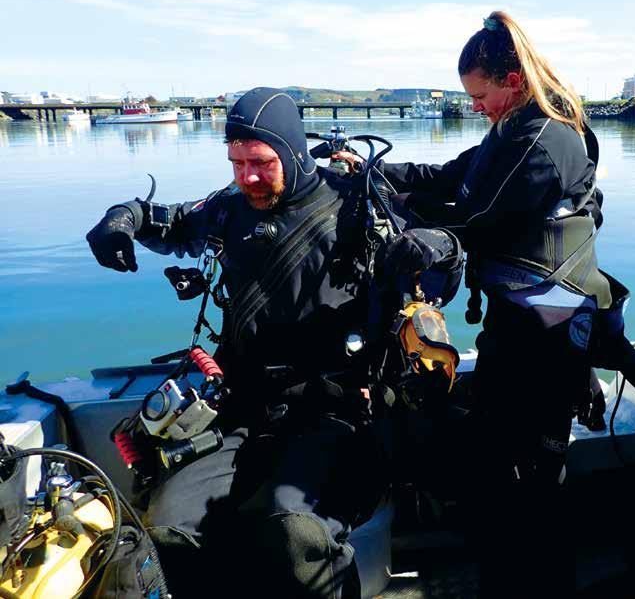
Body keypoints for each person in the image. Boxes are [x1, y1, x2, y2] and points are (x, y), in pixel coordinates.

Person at [85, 87, 463, 599]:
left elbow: (443, 266)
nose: (247, 177)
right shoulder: (228, 210)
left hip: (337, 414)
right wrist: (123, 218)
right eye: (236, 163)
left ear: (293, 153)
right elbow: (168, 222)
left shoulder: (358, 205)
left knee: (295, 533)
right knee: (167, 536)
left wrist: (439, 247)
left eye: (261, 163)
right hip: (237, 410)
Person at [336, 10, 635, 598]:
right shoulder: (513, 129)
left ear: (512, 81)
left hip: (548, 343)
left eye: (481, 96)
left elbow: (474, 219)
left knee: (532, 486)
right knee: (497, 472)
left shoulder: (544, 142)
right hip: (518, 328)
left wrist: (414, 224)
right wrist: (375, 173)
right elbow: (451, 176)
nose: (476, 107)